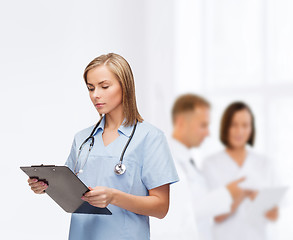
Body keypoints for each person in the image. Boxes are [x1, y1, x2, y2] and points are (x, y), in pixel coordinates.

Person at [27, 53, 179, 240]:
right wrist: (46, 186)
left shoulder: (150, 138)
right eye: (91, 88)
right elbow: (70, 190)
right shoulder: (82, 139)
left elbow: (161, 207)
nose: (95, 95)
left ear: (125, 86)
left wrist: (114, 197)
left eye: (104, 86)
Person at [151, 94, 246, 240]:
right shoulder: (166, 160)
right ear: (181, 123)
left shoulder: (190, 162)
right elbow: (178, 212)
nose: (208, 133)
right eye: (203, 125)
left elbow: (200, 208)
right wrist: (227, 193)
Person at [202, 101, 279, 240]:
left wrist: (259, 200)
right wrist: (243, 193)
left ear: (251, 129)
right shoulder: (210, 164)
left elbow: (273, 216)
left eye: (245, 125)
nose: (239, 131)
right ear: (225, 127)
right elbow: (216, 216)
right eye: (234, 125)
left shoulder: (265, 163)